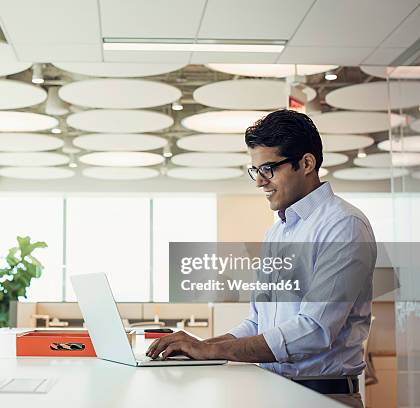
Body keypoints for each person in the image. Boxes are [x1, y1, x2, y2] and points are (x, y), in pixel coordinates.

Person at [146, 109, 376, 408]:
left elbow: (314, 331)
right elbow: (257, 323)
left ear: (306, 163)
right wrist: (199, 346)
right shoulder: (276, 233)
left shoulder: (343, 225)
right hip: (274, 392)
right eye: (255, 171)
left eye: (268, 169)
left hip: (322, 397)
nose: (259, 182)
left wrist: (212, 352)